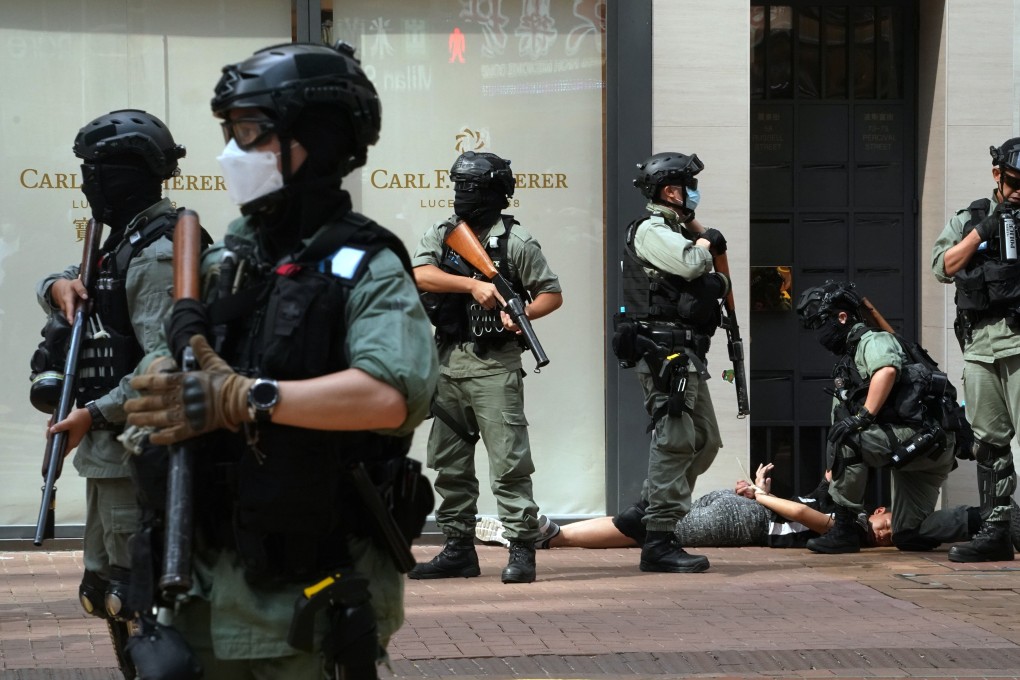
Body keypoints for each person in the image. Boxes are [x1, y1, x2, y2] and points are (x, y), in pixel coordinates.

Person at [123, 42, 439, 678]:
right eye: (231, 132)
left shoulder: (366, 266)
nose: (231, 154)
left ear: (314, 141)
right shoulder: (228, 262)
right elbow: (159, 378)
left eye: (249, 133)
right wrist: (158, 383)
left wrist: (247, 397)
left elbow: (391, 395)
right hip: (198, 581)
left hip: (306, 594)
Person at [33, 109, 186, 674]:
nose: (87, 181)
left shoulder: (159, 252)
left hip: (140, 453)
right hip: (111, 453)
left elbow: (165, 367)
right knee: (109, 595)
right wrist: (55, 288)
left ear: (124, 175)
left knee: (142, 602)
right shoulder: (123, 240)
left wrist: (92, 413)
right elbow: (80, 285)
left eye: (94, 170)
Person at [409, 150, 563, 584]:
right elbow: (419, 273)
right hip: (447, 362)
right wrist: (472, 284)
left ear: (495, 193)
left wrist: (524, 314)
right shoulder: (443, 233)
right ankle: (458, 548)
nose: (461, 196)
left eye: (470, 188)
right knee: (450, 461)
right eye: (458, 186)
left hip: (495, 365)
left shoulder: (517, 242)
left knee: (509, 462)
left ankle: (521, 549)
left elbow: (552, 293)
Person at [611, 151, 730, 573]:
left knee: (706, 440)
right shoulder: (652, 230)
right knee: (676, 439)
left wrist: (698, 230)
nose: (693, 193)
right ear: (669, 190)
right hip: (664, 353)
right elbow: (692, 262)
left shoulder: (673, 228)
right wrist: (703, 241)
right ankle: (658, 538)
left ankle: (645, 510)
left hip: (687, 352)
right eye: (686, 186)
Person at [477, 464, 1020, 553]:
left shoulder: (844, 528)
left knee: (645, 525)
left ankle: (549, 535)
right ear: (881, 508)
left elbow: (809, 519)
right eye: (884, 524)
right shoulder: (848, 517)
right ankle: (550, 537)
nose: (884, 533)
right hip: (738, 516)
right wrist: (761, 488)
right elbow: (804, 511)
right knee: (646, 525)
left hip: (739, 519)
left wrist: (761, 495)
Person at [795, 281, 957, 554]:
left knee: (849, 439)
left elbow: (886, 371)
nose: (819, 333)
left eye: (821, 323)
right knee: (909, 535)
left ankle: (844, 530)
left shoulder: (873, 340)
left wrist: (862, 417)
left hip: (924, 437)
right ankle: (989, 520)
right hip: (922, 449)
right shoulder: (850, 356)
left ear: (842, 317)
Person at [931, 137, 1020, 562]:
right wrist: (982, 232)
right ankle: (996, 529)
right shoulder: (972, 217)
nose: (1019, 190)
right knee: (988, 441)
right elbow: (942, 267)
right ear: (998, 175)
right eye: (1014, 181)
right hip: (981, 347)